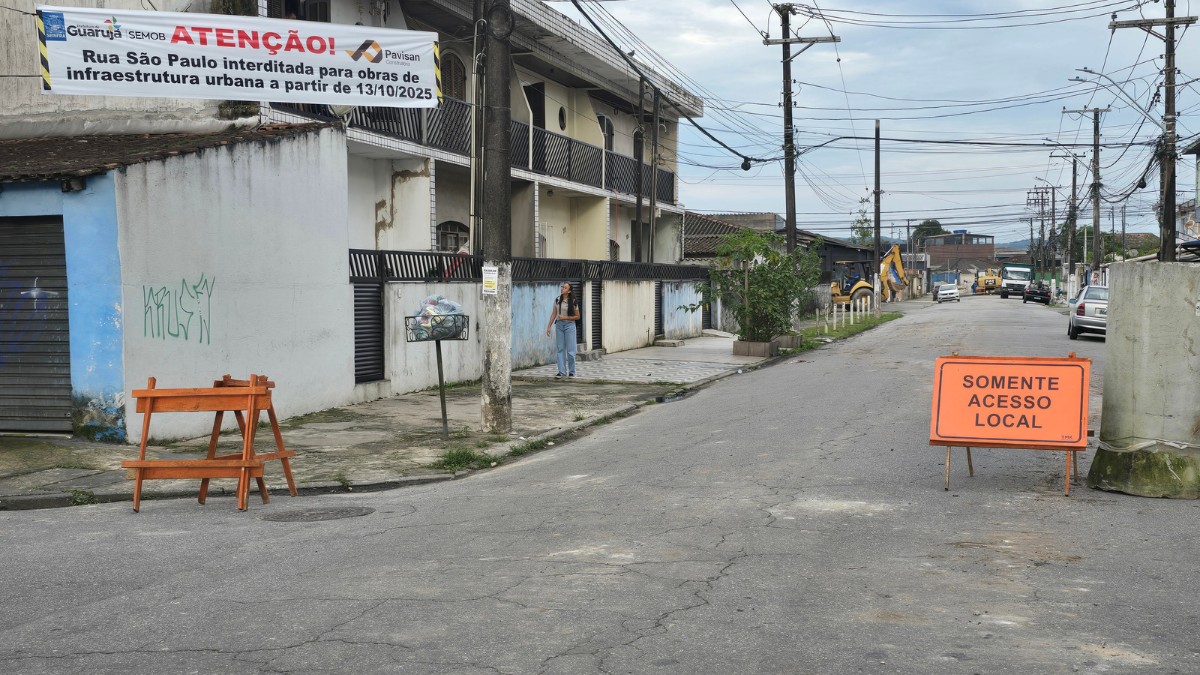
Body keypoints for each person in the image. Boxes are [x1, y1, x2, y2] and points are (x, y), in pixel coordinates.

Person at [545, 282, 580, 378]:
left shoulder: (573, 301)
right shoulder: (557, 300)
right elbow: (554, 314)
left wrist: (565, 317)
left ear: (569, 291)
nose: (562, 289)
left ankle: (572, 371)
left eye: (565, 288)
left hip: (570, 325)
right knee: (560, 349)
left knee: (571, 350)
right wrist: (549, 326)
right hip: (559, 325)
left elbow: (577, 316)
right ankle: (561, 372)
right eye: (562, 287)